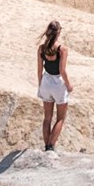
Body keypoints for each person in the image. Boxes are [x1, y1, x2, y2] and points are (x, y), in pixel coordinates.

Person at [36, 20, 73, 151]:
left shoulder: (42, 48)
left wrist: (40, 85)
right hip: (58, 83)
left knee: (47, 118)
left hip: (46, 81)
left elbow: (40, 71)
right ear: (58, 33)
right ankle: (51, 146)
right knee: (60, 118)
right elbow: (62, 71)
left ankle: (46, 145)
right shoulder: (62, 49)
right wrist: (69, 85)